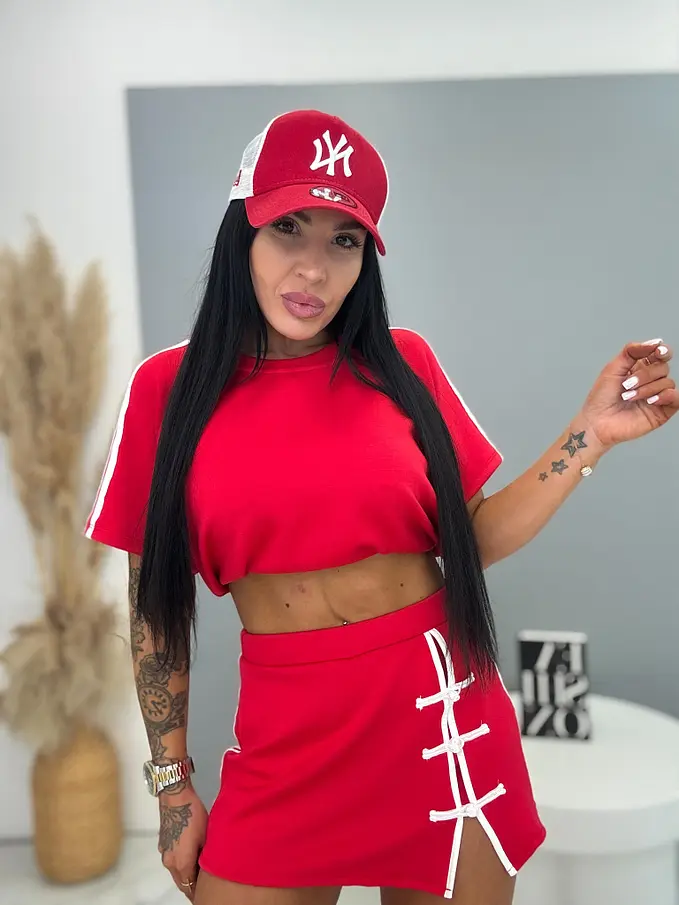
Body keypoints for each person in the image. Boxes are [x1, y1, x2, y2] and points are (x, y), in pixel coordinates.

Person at [84, 109, 677, 905]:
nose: (313, 269)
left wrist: (589, 434)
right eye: (287, 228)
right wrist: (171, 784)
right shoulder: (169, 390)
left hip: (442, 724)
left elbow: (473, 537)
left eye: (344, 240)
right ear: (241, 232)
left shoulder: (403, 365)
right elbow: (155, 609)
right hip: (287, 745)